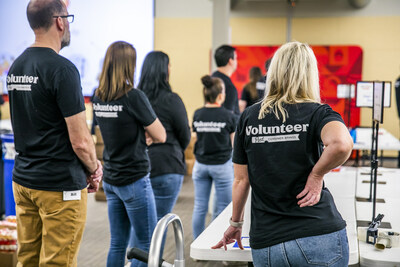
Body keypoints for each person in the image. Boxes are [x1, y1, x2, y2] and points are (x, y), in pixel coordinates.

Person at [212, 42, 353, 267]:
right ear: (310, 74)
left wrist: (236, 224)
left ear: (274, 72)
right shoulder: (317, 113)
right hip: (318, 233)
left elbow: (241, 179)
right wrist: (316, 176)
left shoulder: (249, 117)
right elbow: (341, 144)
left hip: (268, 241)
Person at [7, 0, 103, 266]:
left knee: (27, 258)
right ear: (59, 21)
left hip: (24, 180)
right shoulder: (63, 69)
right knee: (57, 262)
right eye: (68, 17)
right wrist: (94, 168)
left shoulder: (17, 67)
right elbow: (81, 140)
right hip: (59, 186)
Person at [93, 41, 166, 267]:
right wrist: (147, 133)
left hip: (112, 179)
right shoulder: (133, 96)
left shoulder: (98, 96)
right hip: (134, 179)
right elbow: (161, 134)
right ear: (129, 65)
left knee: (117, 243)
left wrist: (141, 132)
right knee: (146, 243)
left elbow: (111, 128)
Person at [138, 51, 191, 221]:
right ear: (164, 70)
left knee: (140, 226)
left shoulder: (135, 98)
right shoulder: (172, 100)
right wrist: (175, 149)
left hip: (138, 165)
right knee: (157, 227)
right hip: (167, 165)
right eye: (169, 65)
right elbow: (185, 134)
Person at [192, 75, 236, 239]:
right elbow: (234, 145)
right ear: (220, 95)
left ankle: (197, 243)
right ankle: (218, 244)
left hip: (200, 165)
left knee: (199, 206)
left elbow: (197, 137)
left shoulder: (197, 114)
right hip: (222, 165)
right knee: (223, 208)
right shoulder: (229, 116)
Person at [212, 45, 240, 118]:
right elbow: (228, 117)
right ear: (230, 61)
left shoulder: (212, 79)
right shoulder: (229, 86)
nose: (237, 61)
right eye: (236, 58)